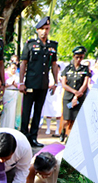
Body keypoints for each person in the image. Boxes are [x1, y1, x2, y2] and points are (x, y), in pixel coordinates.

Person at [19, 16, 59, 147]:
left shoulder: (52, 46)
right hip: (30, 83)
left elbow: (53, 65)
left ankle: (33, 137)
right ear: (37, 30)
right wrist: (21, 82)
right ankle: (23, 136)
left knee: (38, 112)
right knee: (26, 112)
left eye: (46, 29)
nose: (44, 31)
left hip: (43, 83)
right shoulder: (30, 44)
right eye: (42, 29)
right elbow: (23, 63)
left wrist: (55, 81)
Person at [60, 46, 90, 141]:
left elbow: (85, 84)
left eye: (81, 57)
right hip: (68, 97)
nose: (79, 59)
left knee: (75, 119)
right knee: (66, 118)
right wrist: (74, 92)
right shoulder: (67, 69)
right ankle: (63, 131)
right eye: (77, 57)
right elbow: (64, 84)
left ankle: (70, 137)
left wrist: (77, 95)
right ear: (73, 56)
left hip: (79, 98)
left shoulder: (85, 69)